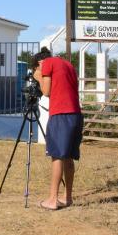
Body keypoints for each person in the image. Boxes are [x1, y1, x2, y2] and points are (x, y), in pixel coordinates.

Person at [32, 47, 82, 210]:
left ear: (40, 63)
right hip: (75, 114)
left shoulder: (47, 64)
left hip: (61, 114)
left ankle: (52, 199)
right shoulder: (68, 65)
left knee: (57, 156)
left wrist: (39, 78)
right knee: (68, 156)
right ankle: (67, 197)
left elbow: (46, 91)